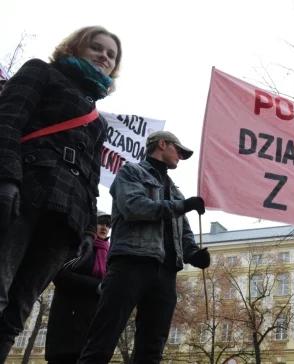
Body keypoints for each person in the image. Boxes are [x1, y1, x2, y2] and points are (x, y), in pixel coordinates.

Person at [0, 26, 121, 359]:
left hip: (66, 220)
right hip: (24, 196)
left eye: (111, 55)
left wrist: (85, 230)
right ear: (75, 48)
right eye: (97, 48)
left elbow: (92, 181)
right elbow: (7, 122)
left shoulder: (99, 122)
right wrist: (7, 179)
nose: (104, 57)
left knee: (16, 312)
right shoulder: (41, 72)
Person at [78, 131, 211, 363]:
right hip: (131, 263)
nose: (180, 156)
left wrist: (193, 254)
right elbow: (134, 207)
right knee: (103, 340)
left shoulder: (175, 191)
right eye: (177, 150)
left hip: (166, 273)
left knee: (152, 349)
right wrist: (181, 205)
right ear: (161, 144)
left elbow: (184, 233)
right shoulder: (131, 172)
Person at [45, 210, 111, 363]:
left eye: (108, 225)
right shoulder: (79, 247)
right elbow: (60, 275)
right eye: (101, 222)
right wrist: (97, 286)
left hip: (92, 322)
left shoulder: (109, 254)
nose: (104, 227)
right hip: (68, 317)